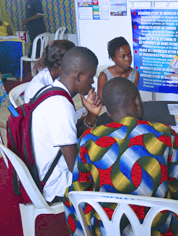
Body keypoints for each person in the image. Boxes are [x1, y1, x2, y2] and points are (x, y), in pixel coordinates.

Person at [64, 77, 178, 235]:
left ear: (108, 113)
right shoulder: (164, 133)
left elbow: (80, 189)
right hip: (156, 228)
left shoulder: (88, 139)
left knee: (70, 195)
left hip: (109, 228)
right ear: (138, 102)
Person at [31, 47, 102, 203]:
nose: (92, 82)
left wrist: (91, 116)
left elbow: (70, 135)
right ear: (79, 76)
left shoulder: (51, 91)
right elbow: (74, 167)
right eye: (91, 77)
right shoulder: (60, 105)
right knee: (113, 175)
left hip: (44, 170)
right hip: (55, 184)